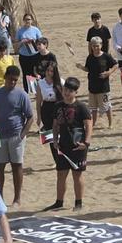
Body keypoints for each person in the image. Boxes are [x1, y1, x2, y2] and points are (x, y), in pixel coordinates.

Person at [42, 75, 91, 211]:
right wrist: (55, 140)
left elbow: (88, 125)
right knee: (61, 174)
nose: (67, 93)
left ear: (76, 92)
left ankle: (78, 202)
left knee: (77, 174)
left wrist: (86, 143)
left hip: (77, 146)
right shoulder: (58, 105)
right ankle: (59, 202)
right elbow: (55, 124)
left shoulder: (81, 107)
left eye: (70, 91)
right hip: (63, 145)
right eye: (65, 90)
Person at [0, 65, 33, 203]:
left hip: (16, 134)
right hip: (0, 135)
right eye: (10, 79)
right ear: (5, 77)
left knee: (16, 165)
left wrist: (22, 134)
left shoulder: (22, 95)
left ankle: (17, 198)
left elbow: (30, 117)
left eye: (15, 80)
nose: (12, 82)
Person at [83, 37, 115, 130]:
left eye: (97, 46)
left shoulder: (106, 56)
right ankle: (93, 124)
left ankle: (110, 123)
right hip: (92, 86)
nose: (96, 48)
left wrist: (109, 72)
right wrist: (81, 67)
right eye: (94, 46)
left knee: (107, 106)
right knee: (93, 108)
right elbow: (87, 69)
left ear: (101, 45)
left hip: (103, 87)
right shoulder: (90, 57)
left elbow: (115, 65)